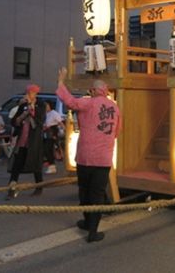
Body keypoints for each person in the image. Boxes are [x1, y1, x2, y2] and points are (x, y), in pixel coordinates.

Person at [57, 67, 121, 243]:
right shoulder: (115, 108)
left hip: (85, 157)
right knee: (97, 194)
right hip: (103, 158)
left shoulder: (88, 103)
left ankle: (88, 223)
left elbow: (69, 101)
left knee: (84, 191)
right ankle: (92, 229)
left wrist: (61, 81)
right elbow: (116, 132)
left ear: (94, 91)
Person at [7, 84, 45, 199]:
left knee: (36, 165)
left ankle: (39, 187)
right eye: (27, 92)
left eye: (30, 92)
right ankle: (11, 189)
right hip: (22, 139)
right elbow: (14, 121)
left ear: (35, 93)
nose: (28, 95)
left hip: (34, 140)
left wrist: (31, 107)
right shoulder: (22, 105)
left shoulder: (41, 104)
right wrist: (22, 115)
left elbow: (40, 119)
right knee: (16, 166)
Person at [43, 101, 63, 174]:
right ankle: (50, 164)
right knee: (46, 150)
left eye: (47, 106)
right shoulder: (45, 114)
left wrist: (63, 132)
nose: (46, 107)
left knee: (49, 150)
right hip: (46, 133)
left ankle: (52, 166)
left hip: (52, 134)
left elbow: (60, 123)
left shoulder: (54, 113)